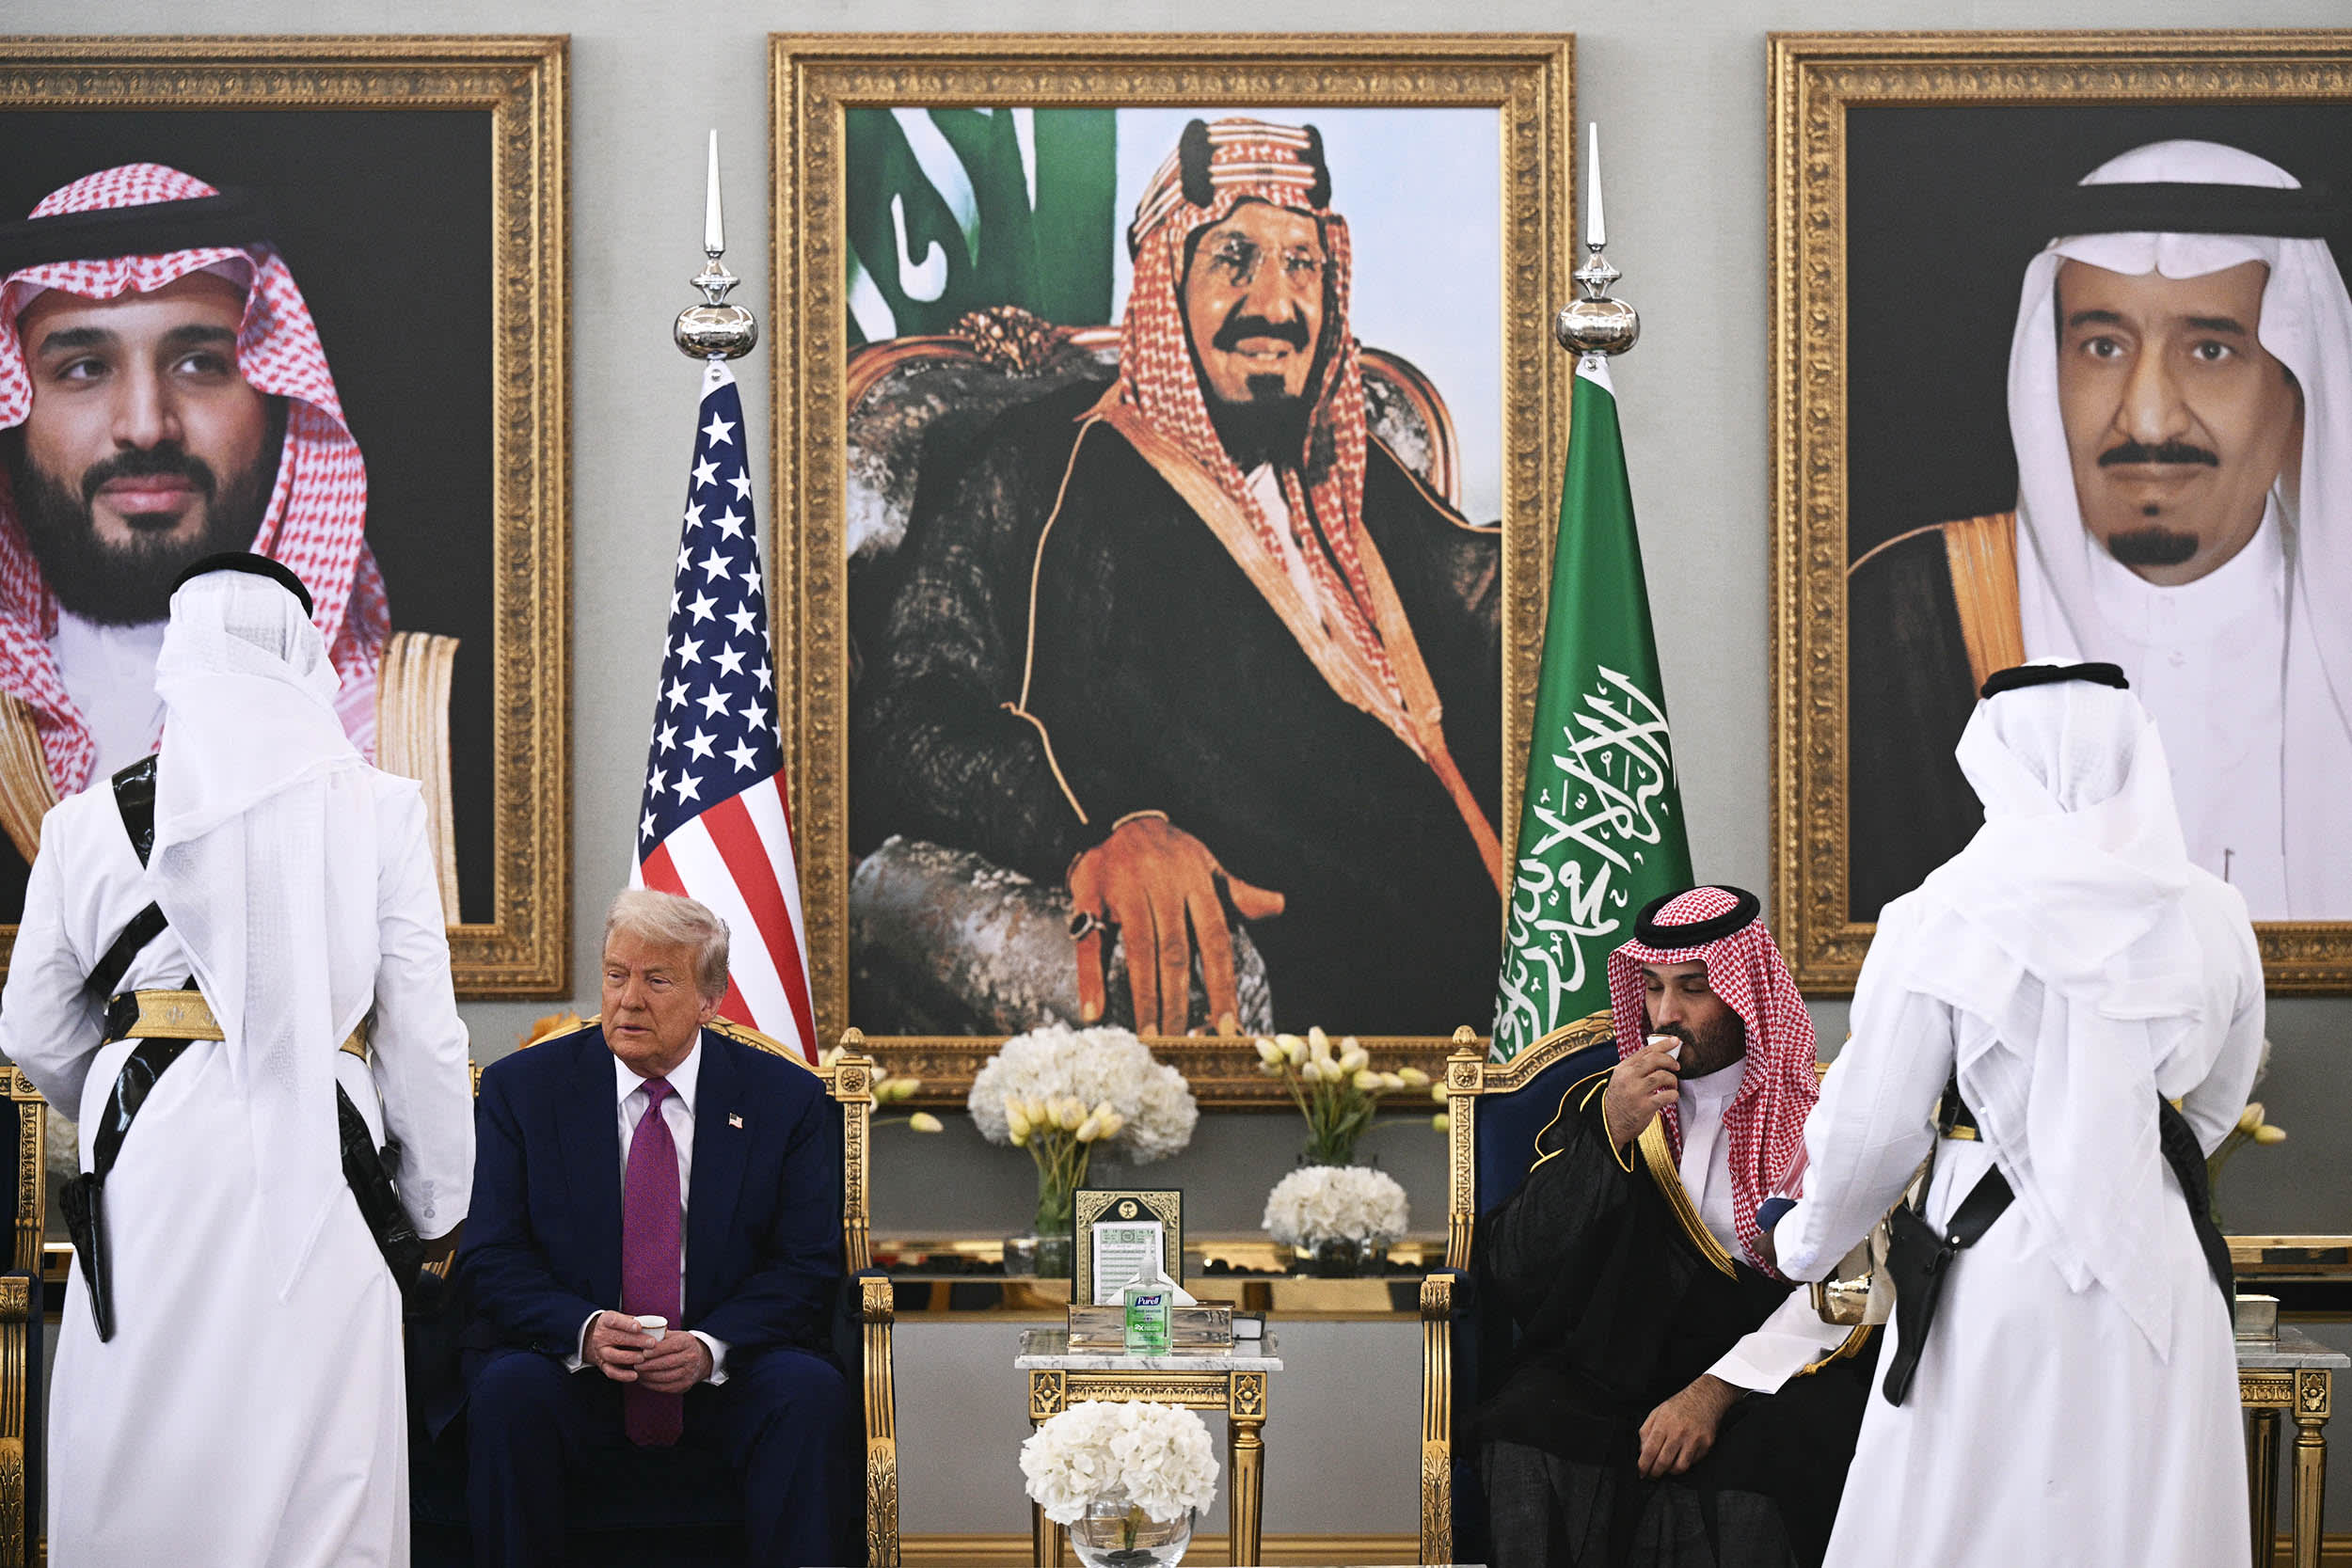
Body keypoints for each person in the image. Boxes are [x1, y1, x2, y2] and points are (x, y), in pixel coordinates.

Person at [855, 116, 1503, 1036]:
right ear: (1166, 282)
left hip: (1494, 949)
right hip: (1316, 973)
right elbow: (909, 721)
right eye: (1234, 258)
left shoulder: (1355, 477)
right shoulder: (1036, 466)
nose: (1276, 302)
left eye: (1302, 265)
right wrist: (1095, 832)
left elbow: (1493, 626)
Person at [0, 552, 472, 1566]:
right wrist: (433, 1203)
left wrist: (134, 1097)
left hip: (150, 1162)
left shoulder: (84, 824)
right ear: (302, 655)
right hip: (331, 1170)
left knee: (142, 1424)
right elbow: (425, 1033)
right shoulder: (383, 810)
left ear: (179, 657)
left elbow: (32, 1028)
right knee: (324, 1448)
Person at [1772, 662, 2264, 1567]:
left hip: (1993, 1273)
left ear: (1994, 755)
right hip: (2160, 1272)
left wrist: (1802, 1241)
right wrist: (2117, 1163)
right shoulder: (2218, 913)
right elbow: (2218, 1105)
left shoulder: (1936, 914)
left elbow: (1876, 1127)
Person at [1846, 138, 2352, 920]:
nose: (2147, 415)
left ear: (2296, 384)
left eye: (2211, 349)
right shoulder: (1901, 619)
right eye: (2103, 346)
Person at [0, 162, 424, 912]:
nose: (144, 424)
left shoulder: (403, 720)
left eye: (200, 364)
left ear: (277, 396)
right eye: (83, 368)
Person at [1477, 886, 1876, 1568]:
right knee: (1524, 1424)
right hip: (1622, 1357)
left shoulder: (1820, 1120)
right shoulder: (1601, 1105)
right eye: (1654, 987)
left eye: (1693, 988)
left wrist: (1715, 1390)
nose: (1666, 1014)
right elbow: (1515, 1265)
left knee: (1759, 1476)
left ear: (1744, 989)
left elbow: (1847, 1291)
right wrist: (1608, 1135)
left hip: (1768, 1375)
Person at [458, 888, 850, 1568]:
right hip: (572, 1371)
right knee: (508, 1391)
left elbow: (807, 1264)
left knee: (807, 1392)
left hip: (730, 1376)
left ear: (709, 998)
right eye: (616, 974)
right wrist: (581, 1327)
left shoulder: (784, 1099)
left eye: (656, 979)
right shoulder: (522, 1090)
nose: (628, 999)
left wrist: (708, 1345)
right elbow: (492, 1254)